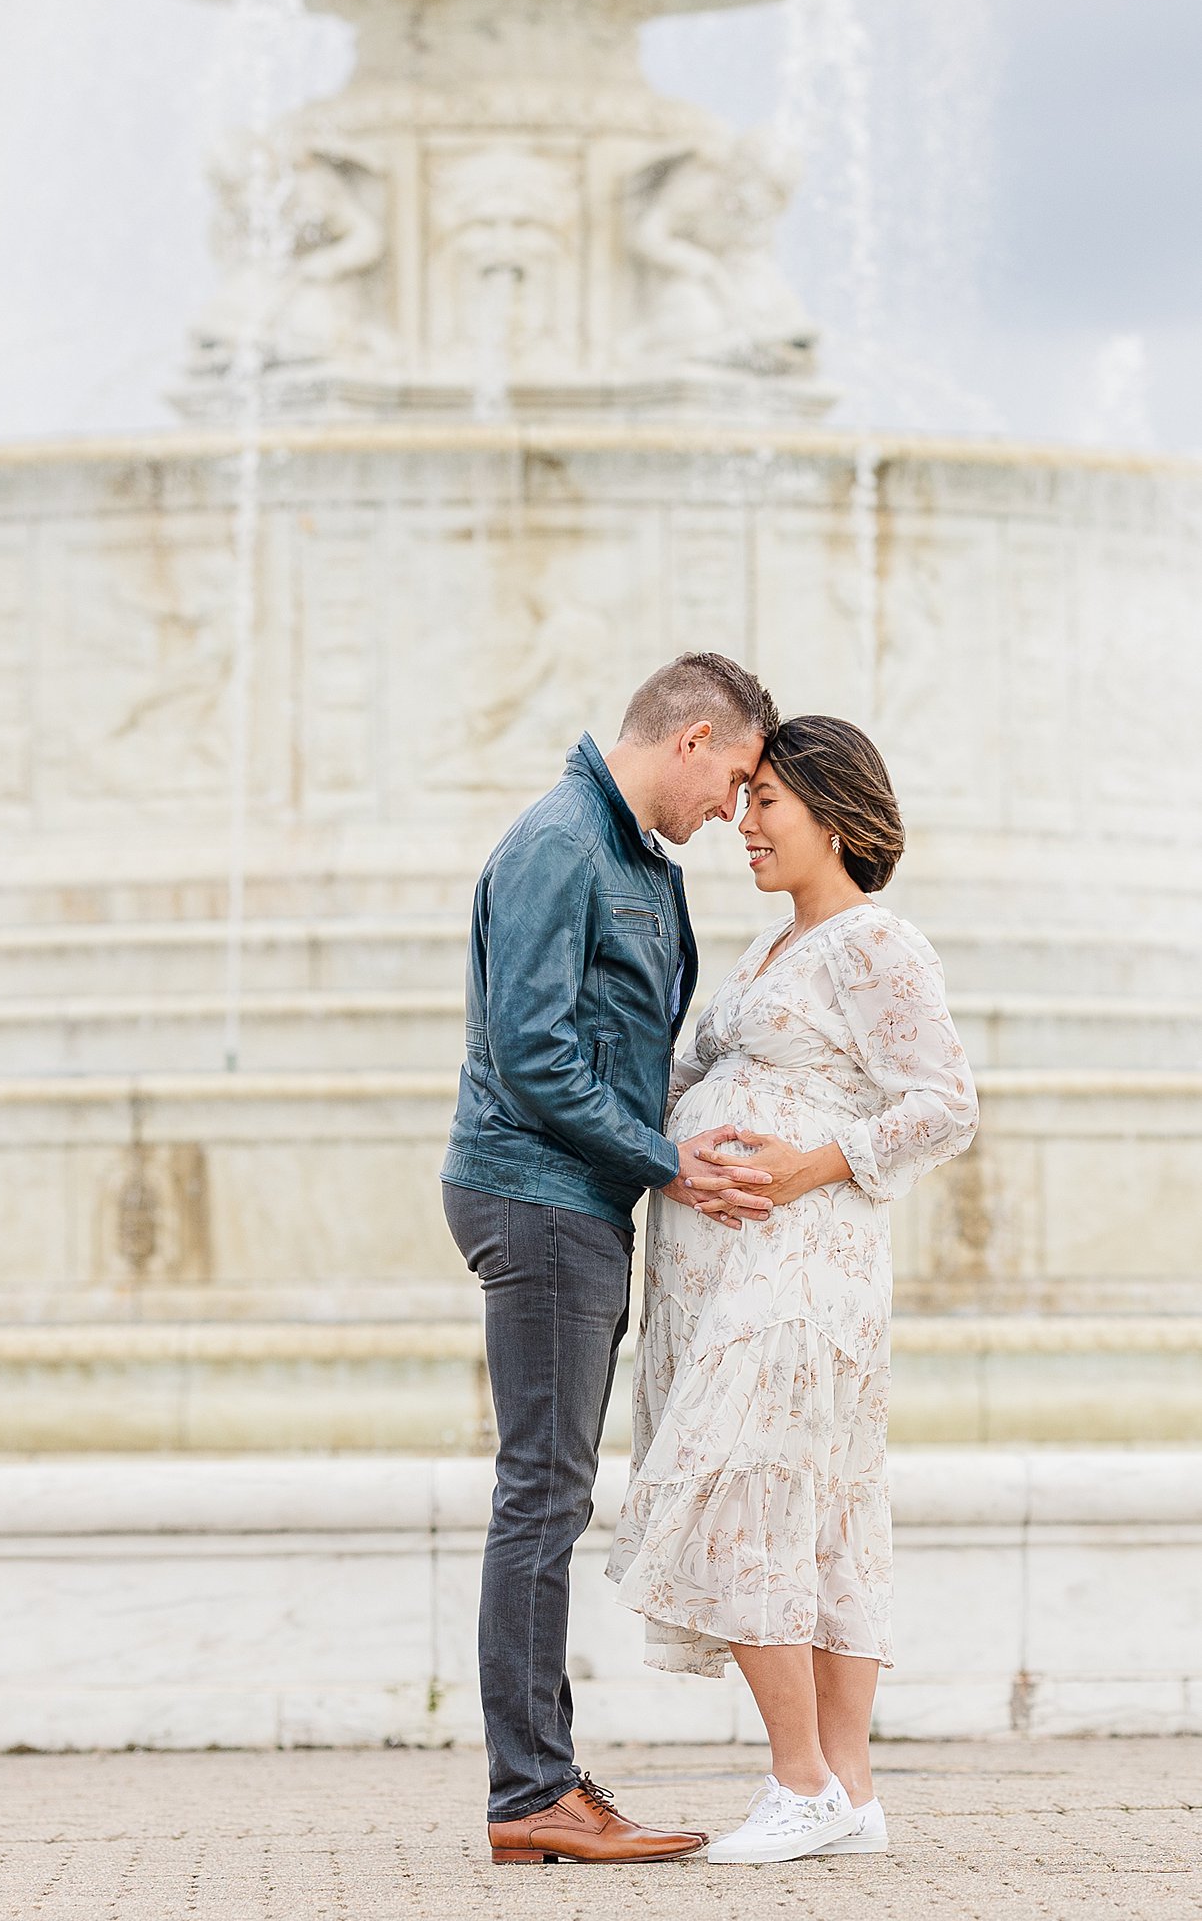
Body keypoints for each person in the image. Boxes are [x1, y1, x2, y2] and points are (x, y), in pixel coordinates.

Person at [606, 715, 978, 1865]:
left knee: (744, 1488)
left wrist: (805, 1163)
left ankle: (799, 1779)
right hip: (737, 1269)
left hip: (802, 1265)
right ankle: (849, 1793)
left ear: (833, 813)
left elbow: (942, 1103)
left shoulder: (874, 941)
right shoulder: (775, 946)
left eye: (765, 801)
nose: (742, 822)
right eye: (744, 797)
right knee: (817, 1512)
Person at [441, 652, 781, 1866]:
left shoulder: (622, 850)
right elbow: (533, 1054)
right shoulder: (560, 845)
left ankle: (538, 1780)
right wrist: (666, 1161)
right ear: (690, 738)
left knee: (548, 1489)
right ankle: (531, 1789)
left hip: (566, 1198)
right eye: (734, 776)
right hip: (535, 1196)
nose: (732, 809)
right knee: (540, 1491)